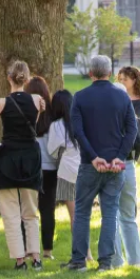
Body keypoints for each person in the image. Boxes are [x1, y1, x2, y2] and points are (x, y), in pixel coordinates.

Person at [63, 55, 137, 273]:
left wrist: (93, 156)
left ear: (90, 73)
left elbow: (78, 132)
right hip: (114, 165)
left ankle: (78, 260)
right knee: (110, 212)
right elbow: (132, 130)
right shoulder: (122, 97)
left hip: (89, 164)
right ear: (111, 73)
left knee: (83, 212)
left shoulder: (80, 97)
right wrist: (120, 156)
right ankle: (105, 261)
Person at [0, 61, 45, 271]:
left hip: (7, 158)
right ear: (28, 79)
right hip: (30, 157)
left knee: (10, 212)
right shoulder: (37, 100)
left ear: (9, 78)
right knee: (30, 211)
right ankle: (36, 256)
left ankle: (19, 259)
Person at [47, 90, 93, 261]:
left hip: (66, 173)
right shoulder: (83, 120)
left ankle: (83, 253)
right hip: (86, 170)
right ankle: (87, 253)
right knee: (85, 214)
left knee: (74, 215)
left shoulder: (56, 126)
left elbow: (52, 152)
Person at [112, 66, 140, 268]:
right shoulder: (130, 117)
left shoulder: (107, 116)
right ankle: (135, 261)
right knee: (128, 215)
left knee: (112, 215)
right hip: (126, 162)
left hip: (109, 164)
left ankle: (116, 260)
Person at [26, 76, 56, 261]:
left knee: (28, 211)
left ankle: (29, 249)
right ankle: (47, 250)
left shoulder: (26, 114)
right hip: (50, 167)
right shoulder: (53, 114)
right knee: (48, 210)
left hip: (31, 167)